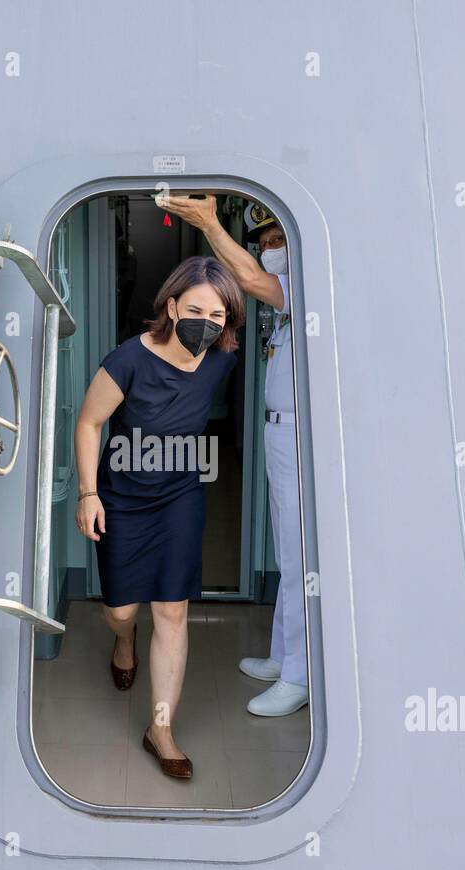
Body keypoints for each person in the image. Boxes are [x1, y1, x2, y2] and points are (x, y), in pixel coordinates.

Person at [73, 256, 245, 778]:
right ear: (171, 306)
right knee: (123, 610)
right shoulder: (128, 360)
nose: (206, 324)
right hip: (122, 495)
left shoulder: (222, 359)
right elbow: (89, 422)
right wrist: (88, 493)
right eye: (196, 310)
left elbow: (278, 297)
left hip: (180, 496)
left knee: (172, 611)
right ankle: (123, 640)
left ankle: (161, 729)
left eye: (218, 316)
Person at [155, 194, 308, 717]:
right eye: (263, 244)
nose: (269, 252)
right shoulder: (285, 307)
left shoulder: (306, 287)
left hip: (301, 438)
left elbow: (250, 281)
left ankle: (299, 675)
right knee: (289, 552)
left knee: (301, 557)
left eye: (277, 242)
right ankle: (283, 655)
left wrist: (209, 225)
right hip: (281, 436)